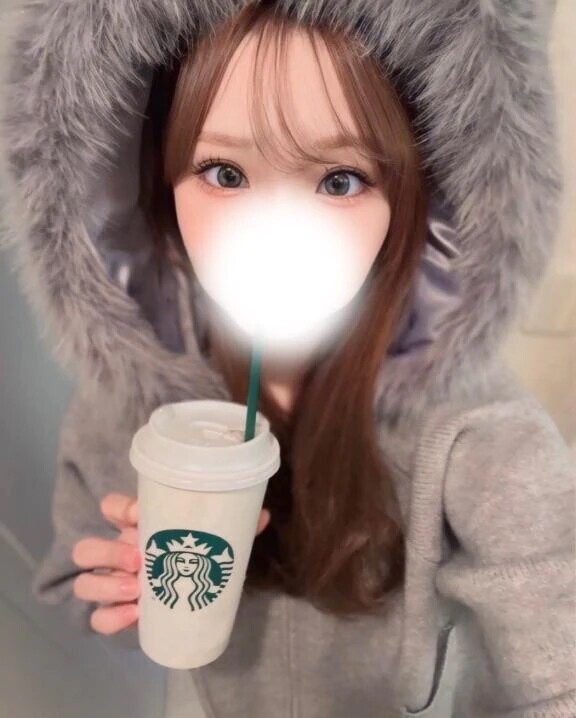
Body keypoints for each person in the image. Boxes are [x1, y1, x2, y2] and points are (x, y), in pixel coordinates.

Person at [0, 1, 574, 716]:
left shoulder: (478, 434)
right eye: (224, 172)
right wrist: (122, 590)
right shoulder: (132, 405)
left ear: (412, 199)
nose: (274, 236)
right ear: (156, 179)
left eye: (339, 179)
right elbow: (75, 585)